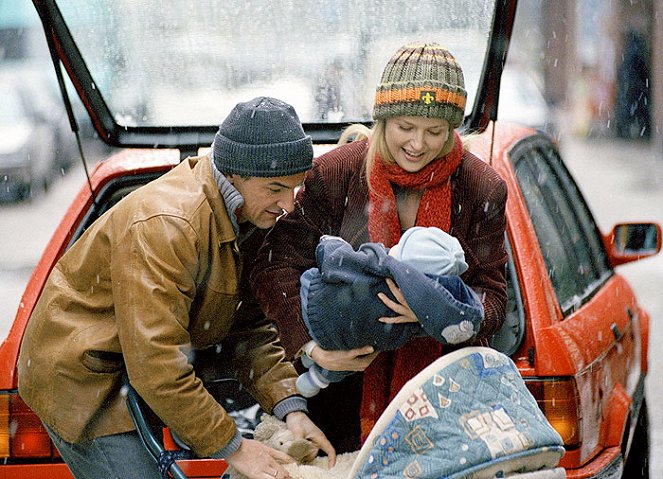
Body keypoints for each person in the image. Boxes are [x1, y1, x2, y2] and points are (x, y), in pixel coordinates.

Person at [17, 97, 336, 479]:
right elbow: (156, 363)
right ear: (235, 174)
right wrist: (234, 446)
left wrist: (290, 407)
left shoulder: (248, 215)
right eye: (275, 188)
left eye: (295, 188)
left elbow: (248, 329)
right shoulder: (166, 226)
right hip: (85, 378)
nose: (287, 204)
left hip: (142, 368)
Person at [250, 43, 508, 451]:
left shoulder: (481, 188)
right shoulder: (336, 173)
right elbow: (273, 266)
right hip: (341, 404)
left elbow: (493, 296)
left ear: (453, 130)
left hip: (445, 399)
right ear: (382, 118)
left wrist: (437, 311)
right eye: (406, 126)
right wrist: (313, 346)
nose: (418, 144)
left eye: (435, 131)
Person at [295, 226, 485, 398]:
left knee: (311, 279)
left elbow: (335, 260)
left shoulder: (376, 262)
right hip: (349, 346)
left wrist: (329, 242)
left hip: (316, 310)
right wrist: (425, 315)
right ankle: (317, 379)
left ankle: (311, 353)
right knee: (356, 356)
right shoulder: (425, 317)